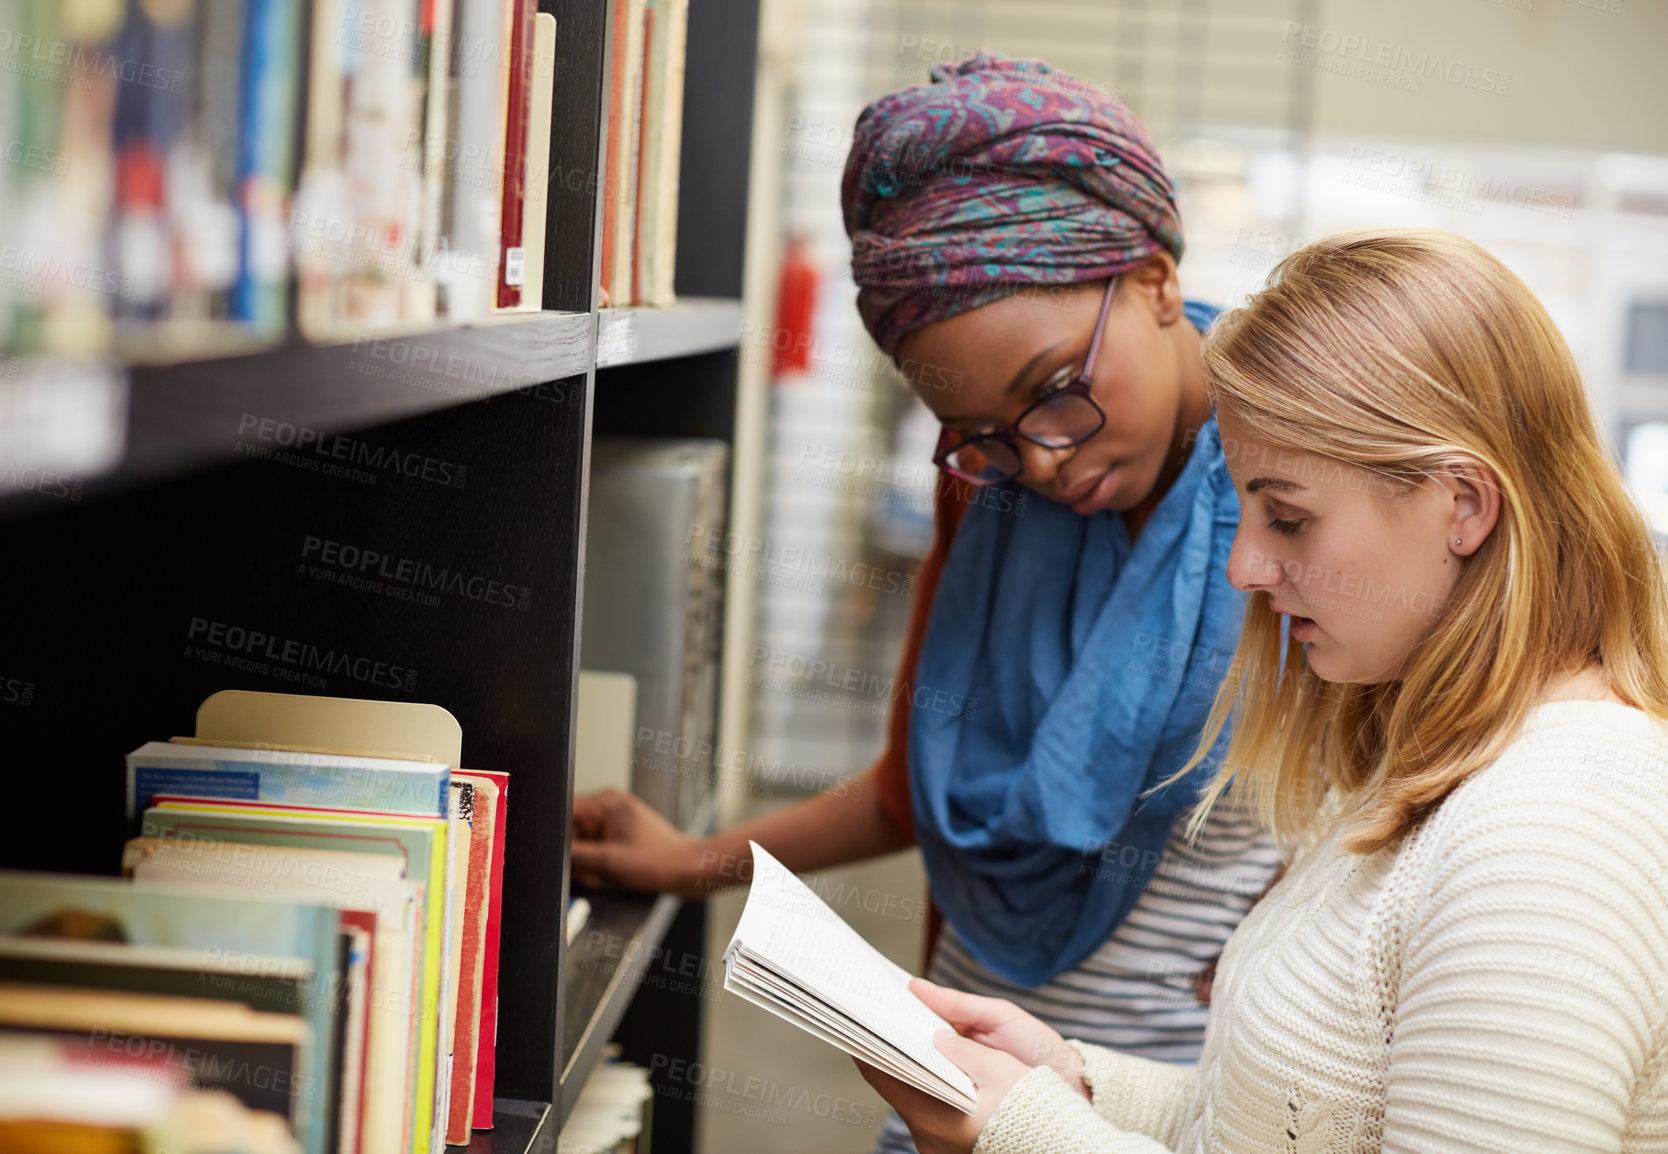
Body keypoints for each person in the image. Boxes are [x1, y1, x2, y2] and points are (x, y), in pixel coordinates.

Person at [571, 53, 1281, 1150]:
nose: (1038, 462)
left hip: (1182, 1109)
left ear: (1148, 278)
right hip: (962, 1081)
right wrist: (687, 860)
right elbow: (919, 788)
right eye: (980, 434)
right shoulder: (988, 498)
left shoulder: (1301, 483)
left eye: (1052, 392)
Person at [857, 228, 1668, 1154]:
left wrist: (1029, 1133)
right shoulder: (1441, 759)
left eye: (1289, 516)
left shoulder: (1553, 833)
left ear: (1465, 506)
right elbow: (1295, 1125)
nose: (1245, 566)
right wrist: (1077, 1080)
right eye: (1245, 510)